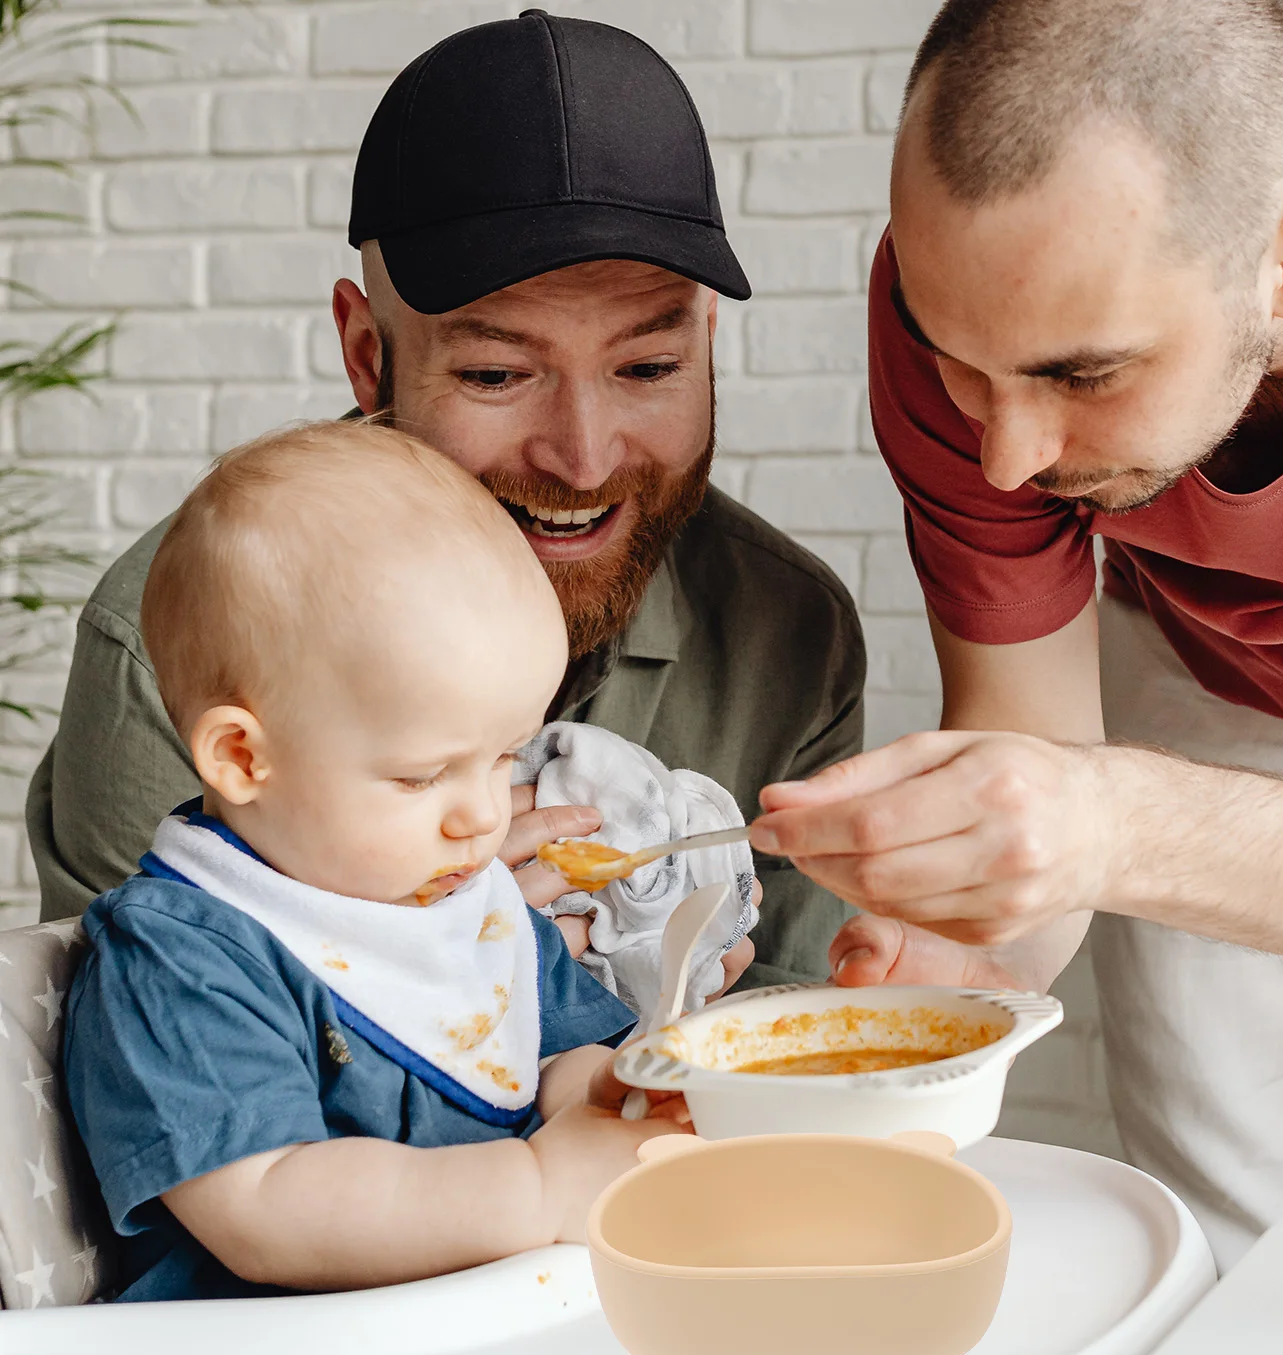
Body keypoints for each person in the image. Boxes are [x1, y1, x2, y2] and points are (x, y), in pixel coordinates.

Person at [750, 0, 1283, 1268]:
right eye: (961, 370)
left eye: (1081, 376)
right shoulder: (980, 302)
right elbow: (1031, 742)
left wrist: (1110, 823)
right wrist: (959, 942)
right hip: (1198, 682)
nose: (1006, 452)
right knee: (1243, 1255)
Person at [64, 422, 845, 1355]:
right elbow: (265, 1207)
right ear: (242, 755)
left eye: (506, 757)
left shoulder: (452, 900)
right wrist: (537, 1188)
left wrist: (620, 1105)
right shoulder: (184, 949)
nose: (484, 817)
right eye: (426, 775)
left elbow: (565, 1048)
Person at [28, 9, 864, 995]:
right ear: (367, 354)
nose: (586, 461)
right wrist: (403, 951)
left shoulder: (789, 635)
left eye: (647, 365)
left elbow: (803, 1066)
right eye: (498, 376)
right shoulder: (175, 647)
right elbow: (129, 1106)